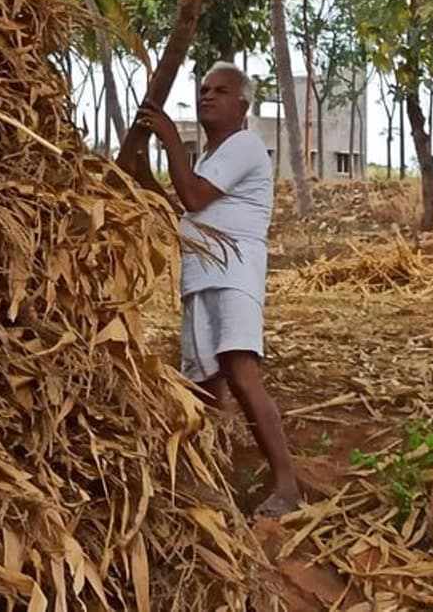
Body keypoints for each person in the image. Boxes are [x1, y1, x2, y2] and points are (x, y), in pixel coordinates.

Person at [123, 61, 301, 517]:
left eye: (220, 91)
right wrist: (142, 177)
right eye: (203, 89)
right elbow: (185, 212)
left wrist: (167, 135)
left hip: (233, 273)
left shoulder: (244, 146)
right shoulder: (208, 159)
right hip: (201, 278)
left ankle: (287, 486)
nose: (207, 96)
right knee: (204, 385)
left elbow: (194, 197)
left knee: (241, 372)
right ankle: (215, 484)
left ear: (242, 106)